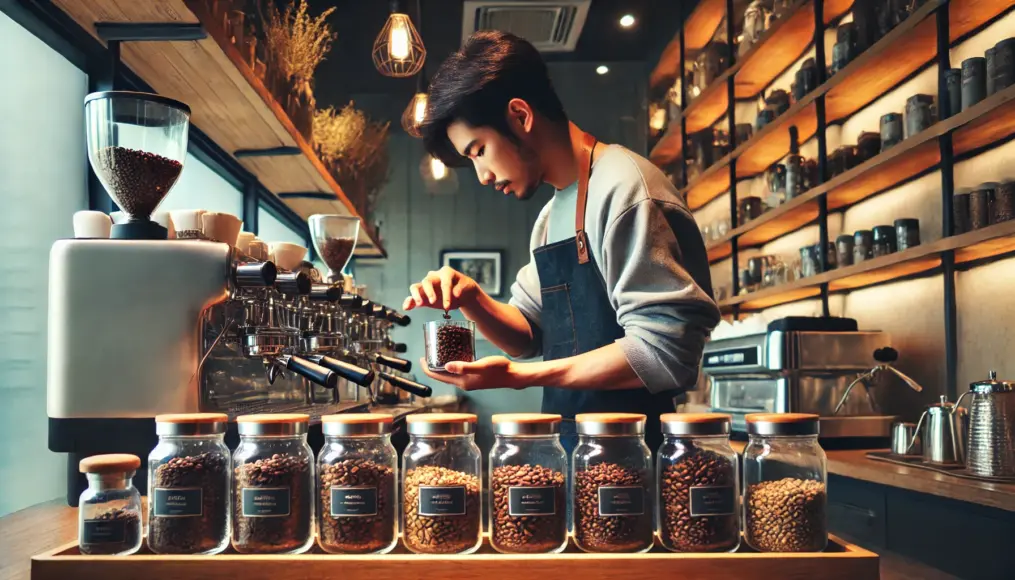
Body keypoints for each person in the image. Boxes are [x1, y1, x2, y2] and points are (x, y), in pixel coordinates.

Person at [403, 30, 721, 452]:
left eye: (478, 150)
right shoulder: (551, 216)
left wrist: (520, 379)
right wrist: (471, 299)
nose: (481, 176)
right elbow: (528, 334)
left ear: (519, 116)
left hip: (632, 456)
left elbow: (664, 352)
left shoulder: (624, 189)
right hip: (569, 451)